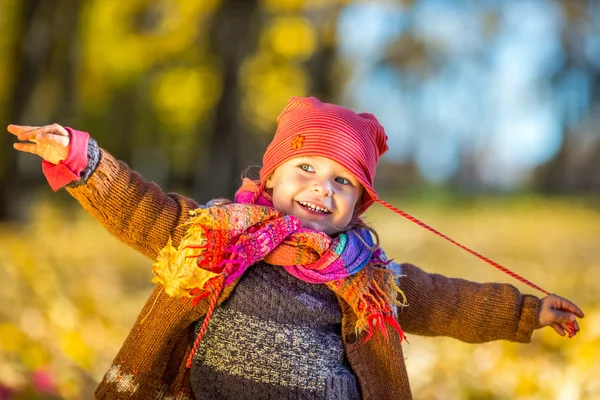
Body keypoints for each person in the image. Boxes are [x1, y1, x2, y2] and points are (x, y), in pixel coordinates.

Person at [7, 97, 584, 400]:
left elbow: (444, 301)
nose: (320, 188)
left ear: (358, 203)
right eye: (305, 168)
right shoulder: (213, 233)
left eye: (342, 181)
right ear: (271, 178)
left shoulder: (364, 274)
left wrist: (525, 310)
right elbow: (140, 207)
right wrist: (83, 160)